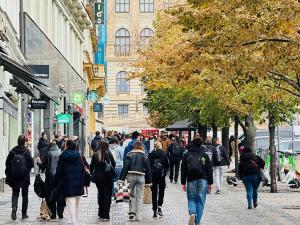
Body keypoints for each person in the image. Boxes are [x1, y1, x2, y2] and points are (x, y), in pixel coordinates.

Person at [181, 137, 213, 225]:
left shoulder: (187, 155)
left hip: (191, 179)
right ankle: (197, 222)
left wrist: (183, 182)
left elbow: (183, 169)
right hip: (203, 179)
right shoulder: (204, 155)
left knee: (191, 198)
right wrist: (210, 183)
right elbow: (209, 170)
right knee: (200, 200)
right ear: (201, 144)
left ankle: (192, 213)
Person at [120, 141, 152, 221]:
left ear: (134, 146)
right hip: (141, 177)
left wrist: (122, 179)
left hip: (131, 176)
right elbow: (148, 169)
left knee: (131, 195)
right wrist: (148, 182)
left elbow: (126, 167)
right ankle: (139, 216)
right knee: (140, 197)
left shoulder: (129, 154)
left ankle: (131, 213)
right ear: (141, 147)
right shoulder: (145, 155)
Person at [54, 140, 84, 225]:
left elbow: (59, 171)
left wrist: (55, 182)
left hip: (67, 183)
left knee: (70, 202)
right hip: (78, 183)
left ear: (66, 146)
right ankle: (74, 220)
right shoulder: (79, 155)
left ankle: (73, 221)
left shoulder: (63, 156)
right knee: (76, 204)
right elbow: (83, 168)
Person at [5, 135, 34, 220]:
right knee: (25, 195)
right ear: (24, 142)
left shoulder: (13, 151)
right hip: (24, 177)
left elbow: (7, 162)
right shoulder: (27, 152)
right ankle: (24, 214)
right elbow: (31, 164)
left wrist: (11, 171)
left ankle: (14, 208)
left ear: (17, 142)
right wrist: (27, 170)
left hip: (14, 177)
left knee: (15, 193)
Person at [90, 141, 115, 220]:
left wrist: (92, 174)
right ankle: (106, 215)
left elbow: (91, 166)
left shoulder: (95, 154)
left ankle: (101, 213)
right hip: (108, 177)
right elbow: (113, 163)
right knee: (107, 195)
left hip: (98, 178)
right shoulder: (108, 153)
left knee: (101, 194)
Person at [43, 140, 65, 219]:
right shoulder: (60, 153)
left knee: (50, 195)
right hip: (59, 177)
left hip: (50, 177)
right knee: (59, 195)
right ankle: (60, 213)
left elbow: (43, 166)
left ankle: (52, 214)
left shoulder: (48, 153)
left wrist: (38, 162)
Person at [148, 141, 169, 218]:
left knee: (154, 192)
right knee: (161, 191)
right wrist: (164, 173)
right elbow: (167, 165)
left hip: (153, 176)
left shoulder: (150, 155)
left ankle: (154, 210)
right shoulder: (164, 154)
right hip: (161, 176)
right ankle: (159, 207)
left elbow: (148, 166)